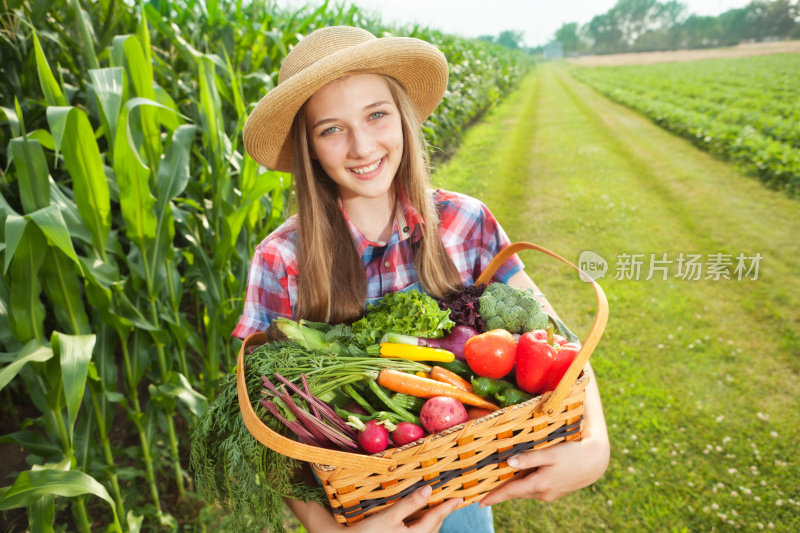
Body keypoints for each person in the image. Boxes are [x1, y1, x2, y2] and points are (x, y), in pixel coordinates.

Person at [235, 26, 610, 533]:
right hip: (359, 508)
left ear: (403, 117)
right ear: (310, 148)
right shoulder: (281, 259)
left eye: (376, 115)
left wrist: (596, 445)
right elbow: (264, 419)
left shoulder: (466, 222)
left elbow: (562, 343)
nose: (361, 145)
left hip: (461, 492)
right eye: (331, 129)